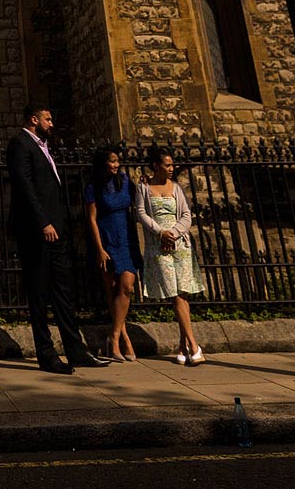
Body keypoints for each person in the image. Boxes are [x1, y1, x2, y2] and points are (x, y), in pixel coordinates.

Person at [5, 104, 106, 374]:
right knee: (39, 294)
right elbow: (23, 185)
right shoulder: (20, 144)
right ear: (34, 119)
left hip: (57, 231)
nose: (52, 123)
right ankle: (46, 355)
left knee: (63, 291)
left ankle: (76, 350)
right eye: (48, 119)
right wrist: (43, 222)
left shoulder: (44, 146)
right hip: (37, 231)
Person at [136, 146, 205, 365]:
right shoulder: (144, 187)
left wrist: (173, 233)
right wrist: (160, 232)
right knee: (174, 293)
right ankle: (194, 345)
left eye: (172, 165)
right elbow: (140, 213)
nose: (171, 168)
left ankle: (184, 345)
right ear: (156, 166)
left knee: (182, 293)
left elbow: (186, 215)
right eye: (167, 165)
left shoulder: (176, 188)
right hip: (159, 245)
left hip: (179, 244)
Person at [85, 146, 139, 362]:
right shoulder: (93, 186)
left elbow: (140, 201)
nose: (116, 165)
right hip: (106, 238)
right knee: (113, 288)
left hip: (126, 237)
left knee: (127, 287)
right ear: (103, 163)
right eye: (112, 161)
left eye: (118, 161)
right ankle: (123, 338)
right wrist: (99, 249)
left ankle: (114, 336)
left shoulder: (125, 181)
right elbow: (91, 218)